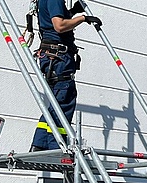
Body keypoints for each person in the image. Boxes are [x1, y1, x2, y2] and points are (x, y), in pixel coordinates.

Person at [30, 0, 102, 151]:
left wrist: (72, 12)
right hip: (58, 58)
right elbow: (59, 25)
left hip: (52, 57)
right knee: (64, 102)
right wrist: (82, 18)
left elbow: (55, 20)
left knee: (56, 103)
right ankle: (55, 147)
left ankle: (40, 143)